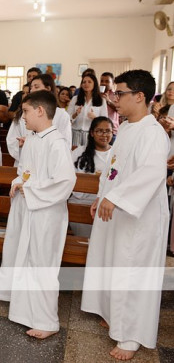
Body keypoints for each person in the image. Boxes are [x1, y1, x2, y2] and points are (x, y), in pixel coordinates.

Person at [81, 70, 169, 361]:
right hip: (118, 210)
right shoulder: (129, 127)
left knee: (132, 271)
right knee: (114, 265)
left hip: (140, 218)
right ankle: (114, 316)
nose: (114, 99)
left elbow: (151, 173)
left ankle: (131, 335)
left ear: (140, 96)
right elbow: (113, 168)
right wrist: (102, 195)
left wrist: (116, 198)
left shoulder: (152, 132)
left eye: (119, 93)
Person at [0, 90, 76, 339]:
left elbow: (65, 181)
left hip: (46, 213)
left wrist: (29, 188)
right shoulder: (31, 138)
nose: (23, 117)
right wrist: (18, 182)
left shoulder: (56, 142)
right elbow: (25, 171)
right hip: (27, 207)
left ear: (40, 111)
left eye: (26, 111)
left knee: (41, 263)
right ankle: (24, 311)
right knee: (24, 257)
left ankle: (47, 321)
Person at [6, 74, 71, 165]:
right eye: (31, 87)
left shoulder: (61, 115)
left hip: (49, 164)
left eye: (36, 87)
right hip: (25, 162)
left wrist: (36, 147)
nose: (32, 90)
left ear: (48, 88)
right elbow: (12, 140)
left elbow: (65, 144)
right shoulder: (22, 113)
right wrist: (23, 146)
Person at [69, 116, 113, 237]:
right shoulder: (79, 152)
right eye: (99, 131)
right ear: (92, 133)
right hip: (81, 201)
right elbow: (69, 175)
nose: (104, 135)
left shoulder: (116, 154)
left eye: (108, 131)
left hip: (106, 204)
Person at [68, 74, 108, 147]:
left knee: (89, 154)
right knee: (74, 153)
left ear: (94, 84)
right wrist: (75, 114)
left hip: (91, 135)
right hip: (75, 133)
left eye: (89, 82)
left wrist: (95, 118)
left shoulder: (101, 100)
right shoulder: (75, 99)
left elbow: (105, 121)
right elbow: (67, 118)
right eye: (84, 82)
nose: (86, 84)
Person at [100, 72, 119, 142]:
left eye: (107, 81)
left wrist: (108, 101)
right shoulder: (96, 95)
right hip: (98, 130)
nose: (103, 83)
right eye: (102, 81)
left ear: (112, 83)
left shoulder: (116, 95)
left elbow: (119, 109)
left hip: (112, 131)